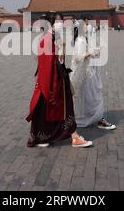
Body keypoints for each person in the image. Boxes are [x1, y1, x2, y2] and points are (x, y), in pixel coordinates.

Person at [26, 13, 93, 148]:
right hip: (51, 81)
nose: (61, 24)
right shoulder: (46, 39)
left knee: (58, 109)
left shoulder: (54, 38)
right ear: (51, 24)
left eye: (62, 22)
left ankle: (53, 137)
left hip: (56, 79)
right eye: (58, 22)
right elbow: (47, 63)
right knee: (54, 108)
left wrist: (60, 54)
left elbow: (57, 60)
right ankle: (71, 137)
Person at [70, 18, 116, 130]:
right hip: (87, 72)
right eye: (85, 25)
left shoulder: (84, 39)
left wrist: (94, 51)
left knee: (89, 95)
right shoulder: (81, 40)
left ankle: (94, 117)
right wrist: (92, 52)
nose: (88, 26)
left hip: (90, 70)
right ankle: (96, 118)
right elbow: (78, 57)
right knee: (92, 95)